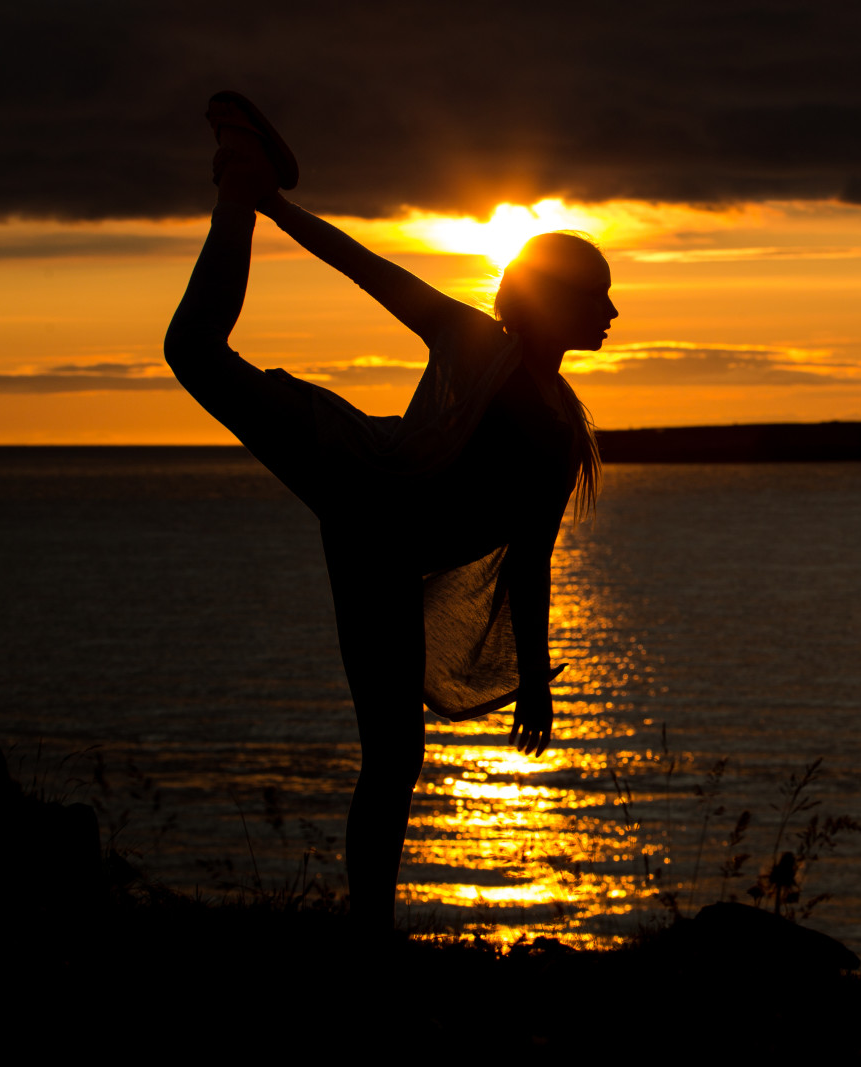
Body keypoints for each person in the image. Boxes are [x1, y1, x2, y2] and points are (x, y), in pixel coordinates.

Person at [163, 92, 615, 929]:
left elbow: (530, 555)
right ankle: (238, 174)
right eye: (600, 297)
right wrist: (275, 207)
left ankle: (368, 933)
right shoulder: (481, 347)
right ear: (558, 300)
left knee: (394, 758)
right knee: (191, 350)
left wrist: (539, 682)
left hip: (380, 548)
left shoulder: (561, 425)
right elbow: (368, 269)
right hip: (358, 473)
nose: (614, 314)